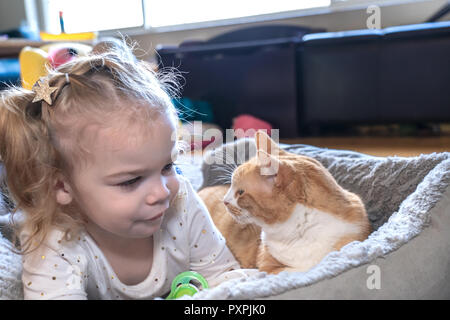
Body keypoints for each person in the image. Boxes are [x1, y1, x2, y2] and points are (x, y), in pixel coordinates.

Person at [0, 41, 243, 299]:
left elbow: (227, 279)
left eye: (168, 166)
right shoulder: (56, 239)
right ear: (62, 186)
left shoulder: (180, 202)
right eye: (131, 181)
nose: (161, 192)